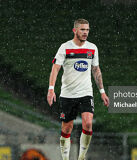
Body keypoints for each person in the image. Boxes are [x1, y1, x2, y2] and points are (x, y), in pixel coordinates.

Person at [47, 18, 110, 160]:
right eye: (82, 29)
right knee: (66, 128)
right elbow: (55, 68)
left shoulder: (93, 48)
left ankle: (81, 157)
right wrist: (51, 89)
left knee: (88, 124)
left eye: (87, 30)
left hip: (85, 93)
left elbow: (96, 70)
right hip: (68, 94)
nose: (85, 32)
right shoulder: (65, 47)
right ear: (74, 30)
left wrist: (102, 91)